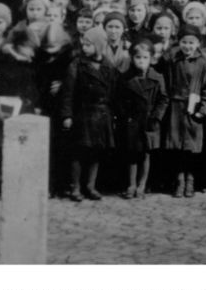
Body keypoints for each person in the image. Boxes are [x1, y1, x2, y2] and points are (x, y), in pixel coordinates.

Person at [59, 26, 118, 201]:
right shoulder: (77, 65)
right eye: (83, 44)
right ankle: (75, 187)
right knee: (79, 151)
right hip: (83, 114)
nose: (84, 48)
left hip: (102, 115)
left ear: (99, 46)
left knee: (96, 152)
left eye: (89, 44)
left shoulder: (108, 66)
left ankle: (90, 186)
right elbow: (68, 92)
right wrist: (67, 115)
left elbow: (113, 92)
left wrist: (112, 115)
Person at [163, 24, 206, 198]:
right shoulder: (173, 61)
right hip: (176, 108)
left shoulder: (203, 63)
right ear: (179, 42)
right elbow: (167, 84)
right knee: (177, 146)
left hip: (194, 109)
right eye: (184, 42)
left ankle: (190, 180)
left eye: (192, 43)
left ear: (198, 43)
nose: (188, 46)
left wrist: (204, 110)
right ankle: (179, 180)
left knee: (192, 147)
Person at [114, 40, 168, 199]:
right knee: (132, 153)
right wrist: (125, 116)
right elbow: (118, 99)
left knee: (146, 154)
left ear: (151, 59)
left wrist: (156, 117)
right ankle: (131, 184)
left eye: (145, 57)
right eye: (138, 57)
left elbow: (163, 99)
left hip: (149, 121)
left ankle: (142, 185)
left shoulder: (157, 78)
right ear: (132, 58)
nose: (141, 61)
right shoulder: (125, 78)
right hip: (132, 121)